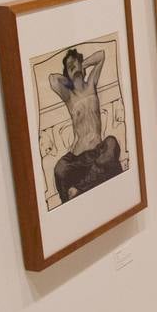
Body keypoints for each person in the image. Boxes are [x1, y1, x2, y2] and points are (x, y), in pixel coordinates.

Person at [49, 47, 124, 201]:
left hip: (97, 150)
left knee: (111, 143)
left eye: (76, 63)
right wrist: (70, 76)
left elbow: (101, 55)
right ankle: (70, 202)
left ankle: (79, 189)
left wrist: (82, 65)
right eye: (69, 66)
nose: (73, 66)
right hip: (78, 157)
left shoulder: (91, 84)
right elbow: (52, 79)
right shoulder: (69, 96)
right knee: (59, 169)